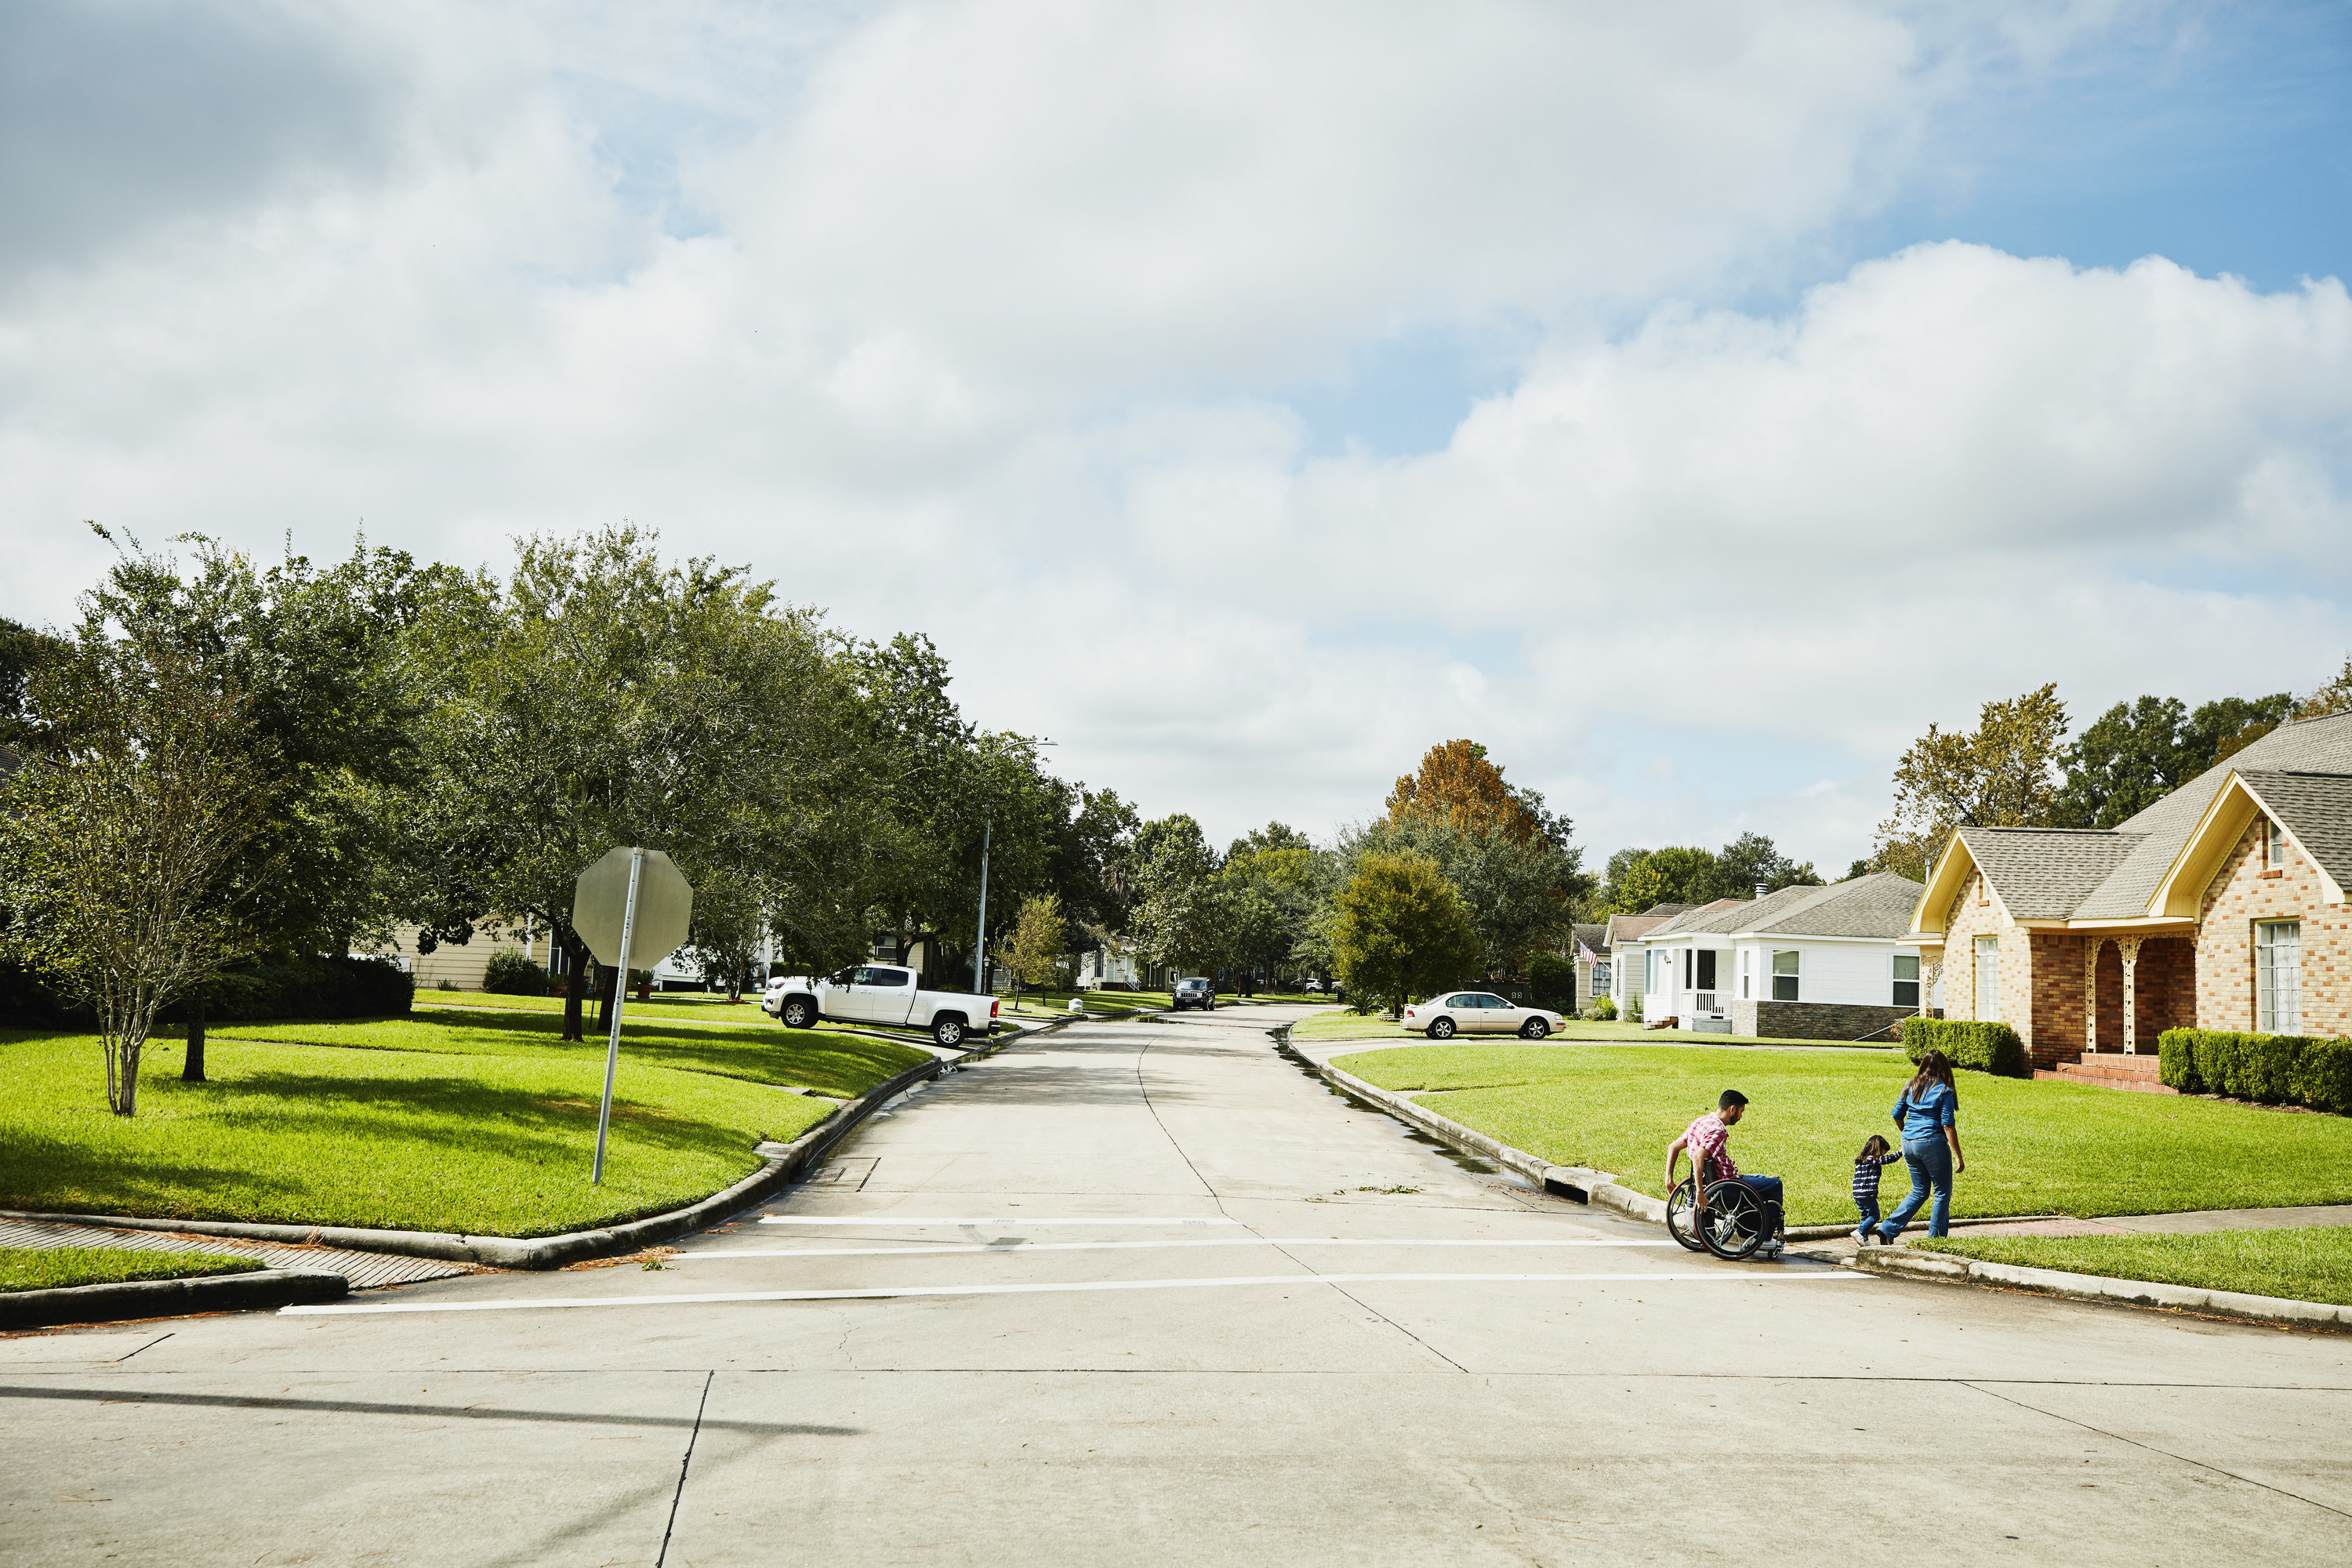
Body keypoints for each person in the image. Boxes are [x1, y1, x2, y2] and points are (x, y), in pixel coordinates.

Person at [1664, 1090, 1784, 1255]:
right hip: (1727, 1187)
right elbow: (1698, 1156)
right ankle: (1764, 1238)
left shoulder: (1700, 1122)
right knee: (1775, 1185)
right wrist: (1700, 1192)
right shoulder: (1717, 1131)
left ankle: (1748, 1230)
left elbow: (1673, 1147)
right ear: (1732, 1110)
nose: (1741, 1117)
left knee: (1762, 1179)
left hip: (1719, 1182)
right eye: (1741, 1112)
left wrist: (1668, 1179)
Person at [1876, 1048, 1965, 1243]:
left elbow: (1896, 1114)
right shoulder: (1944, 1091)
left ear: (1923, 1066)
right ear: (1945, 1068)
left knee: (1920, 1190)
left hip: (1908, 1143)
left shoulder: (1910, 1086)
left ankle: (1888, 1229)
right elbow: (1948, 1125)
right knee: (1941, 1192)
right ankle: (1936, 1240)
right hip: (1932, 1142)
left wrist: (1907, 1134)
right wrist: (1958, 1155)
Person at [1851, 1134, 1901, 1244]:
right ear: (1878, 1149)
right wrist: (1901, 1152)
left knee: (1865, 1216)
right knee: (1875, 1215)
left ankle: (1863, 1239)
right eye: (1884, 1151)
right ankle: (1860, 1232)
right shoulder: (1873, 1160)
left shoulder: (1860, 1160)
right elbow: (1889, 1159)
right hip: (1867, 1194)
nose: (1884, 1154)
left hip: (1857, 1194)